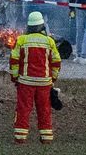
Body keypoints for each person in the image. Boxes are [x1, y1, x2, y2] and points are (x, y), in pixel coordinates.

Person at [9, 11, 62, 144]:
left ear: (29, 26)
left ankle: (20, 137)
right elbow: (56, 61)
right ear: (42, 26)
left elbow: (14, 60)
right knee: (44, 109)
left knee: (23, 108)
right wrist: (53, 79)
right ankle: (46, 137)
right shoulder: (49, 41)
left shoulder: (22, 40)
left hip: (25, 82)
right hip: (44, 83)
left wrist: (15, 78)